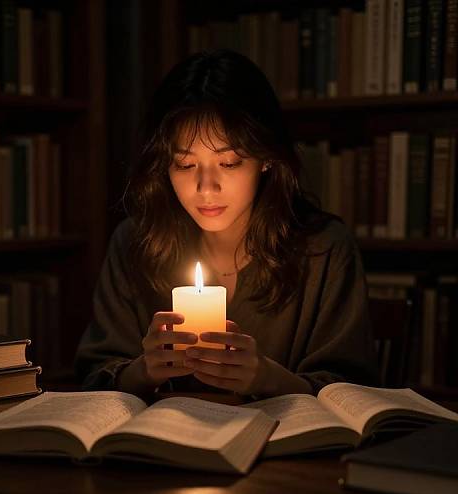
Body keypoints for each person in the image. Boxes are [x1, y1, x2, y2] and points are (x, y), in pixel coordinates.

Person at [75, 49, 378, 401]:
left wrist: (270, 379)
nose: (206, 188)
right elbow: (92, 377)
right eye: (186, 165)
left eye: (229, 162)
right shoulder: (134, 243)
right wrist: (142, 371)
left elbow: (355, 392)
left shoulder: (323, 249)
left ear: (266, 158)